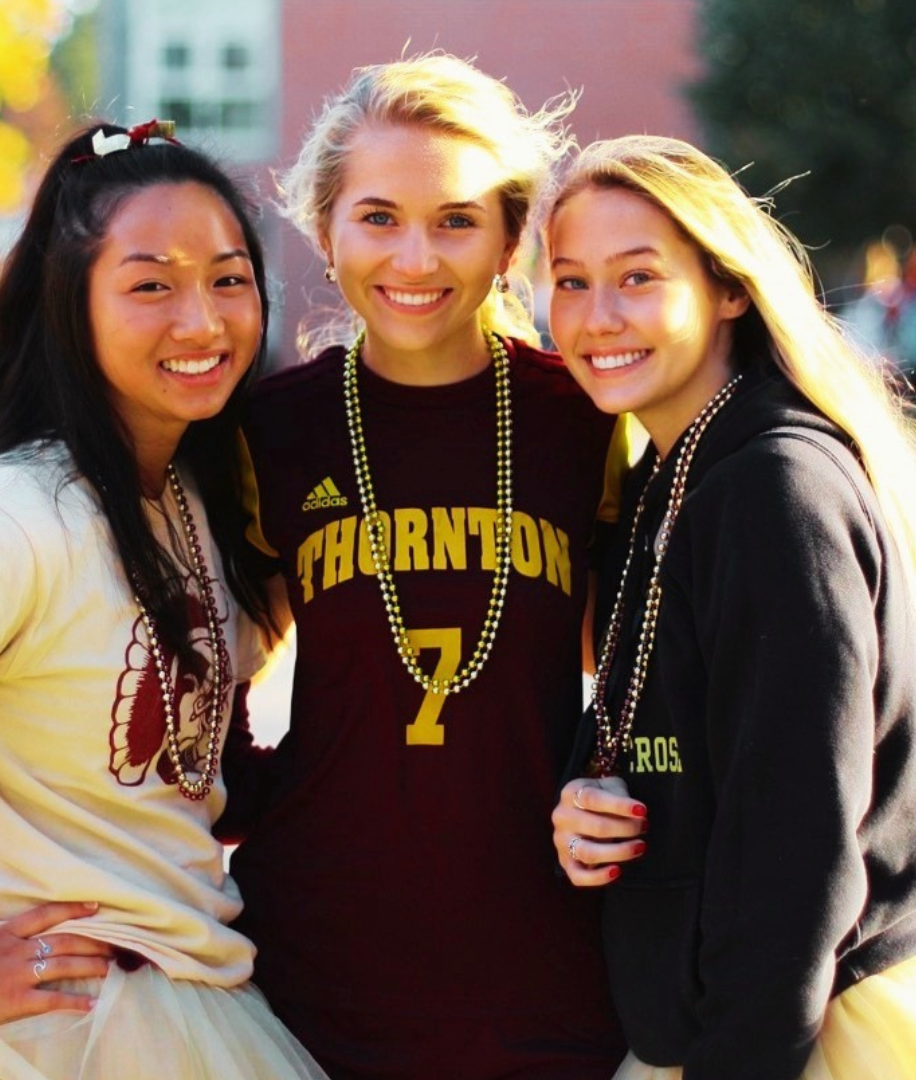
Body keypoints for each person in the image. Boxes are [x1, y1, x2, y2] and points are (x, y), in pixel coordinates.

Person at [0, 119, 329, 1080]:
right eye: (151, 284)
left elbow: (199, 784)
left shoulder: (189, 495)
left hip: (198, 999)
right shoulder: (12, 518)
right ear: (72, 305)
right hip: (61, 1036)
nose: (202, 320)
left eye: (229, 278)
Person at [219, 54, 628, 1080]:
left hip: (544, 955)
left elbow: (645, 669)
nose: (416, 255)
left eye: (456, 219)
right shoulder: (272, 427)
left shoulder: (584, 417)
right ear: (326, 229)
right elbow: (203, 664)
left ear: (509, 238)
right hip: (316, 954)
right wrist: (264, 796)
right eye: (378, 217)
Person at [546, 134, 916, 1080]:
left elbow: (798, 845)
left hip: (799, 1038)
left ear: (729, 288)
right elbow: (687, 732)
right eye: (572, 281)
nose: (598, 318)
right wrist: (592, 794)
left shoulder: (773, 490)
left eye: (637, 278)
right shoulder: (670, 475)